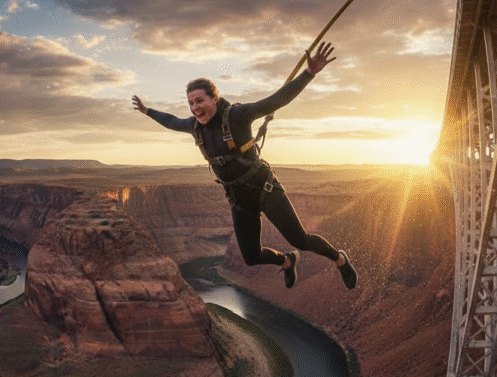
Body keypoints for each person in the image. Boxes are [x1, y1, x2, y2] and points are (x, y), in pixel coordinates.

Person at [132, 42, 357, 290]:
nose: (195, 108)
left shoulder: (237, 117)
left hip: (266, 190)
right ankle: (286, 261)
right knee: (251, 257)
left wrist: (309, 73)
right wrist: (147, 111)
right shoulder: (194, 126)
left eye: (200, 100)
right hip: (239, 201)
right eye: (191, 103)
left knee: (301, 240)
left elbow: (275, 101)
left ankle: (340, 259)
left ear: (214, 99)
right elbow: (171, 120)